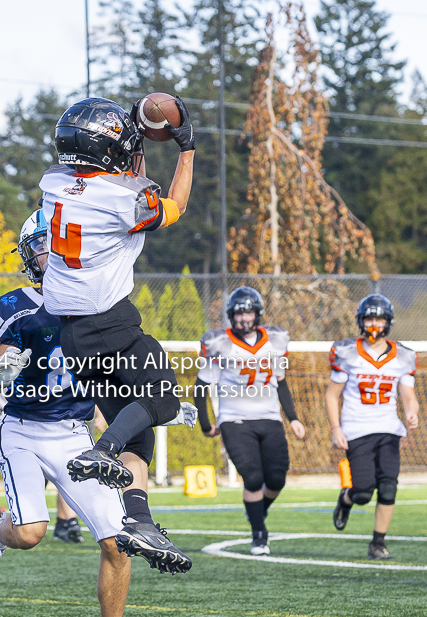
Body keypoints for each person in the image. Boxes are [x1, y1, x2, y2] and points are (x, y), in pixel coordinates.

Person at [0, 209, 152, 617]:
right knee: (29, 533)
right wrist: (2, 375)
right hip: (23, 432)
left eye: (59, 245)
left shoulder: (99, 304)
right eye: (42, 246)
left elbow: (120, 372)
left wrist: (160, 400)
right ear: (29, 256)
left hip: (74, 435)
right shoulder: (17, 307)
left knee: (118, 541)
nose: (51, 255)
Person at [39, 96, 196, 574]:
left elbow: (124, 174)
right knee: (164, 397)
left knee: (138, 432)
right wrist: (186, 148)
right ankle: (100, 449)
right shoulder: (123, 198)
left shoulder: (54, 184)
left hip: (73, 335)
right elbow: (176, 204)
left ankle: (139, 519)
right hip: (108, 322)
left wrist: (127, 141)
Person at [194, 287, 305, 555]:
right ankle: (259, 535)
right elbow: (200, 386)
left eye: (249, 312)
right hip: (234, 418)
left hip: (268, 416)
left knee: (277, 478)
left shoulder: (275, 340)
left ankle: (256, 513)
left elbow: (281, 382)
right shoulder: (219, 343)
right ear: (232, 315)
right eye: (239, 313)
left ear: (258, 314)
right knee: (253, 478)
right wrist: (207, 424)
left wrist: (293, 418)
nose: (244, 318)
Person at [326, 294, 419, 560]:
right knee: (364, 492)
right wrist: (336, 428)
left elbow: (409, 397)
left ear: (388, 321)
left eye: (379, 318)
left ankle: (378, 542)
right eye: (369, 318)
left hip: (389, 428)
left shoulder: (402, 355)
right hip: (356, 428)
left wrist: (411, 413)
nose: (374, 323)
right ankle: (346, 499)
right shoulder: (347, 352)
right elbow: (332, 395)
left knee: (389, 487)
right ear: (360, 321)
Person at [0, 384, 83, 543]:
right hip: (13, 425)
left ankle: (66, 523)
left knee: (68, 473)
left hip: (51, 424)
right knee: (32, 486)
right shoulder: (2, 359)